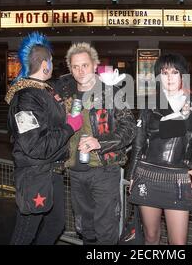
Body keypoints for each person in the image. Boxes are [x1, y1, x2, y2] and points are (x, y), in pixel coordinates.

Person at [5, 32, 83, 245]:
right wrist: (69, 127)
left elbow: (49, 121)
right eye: (51, 61)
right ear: (44, 63)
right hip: (35, 173)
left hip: (51, 171)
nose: (53, 66)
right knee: (24, 233)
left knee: (56, 224)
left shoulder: (43, 91)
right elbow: (34, 145)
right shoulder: (26, 97)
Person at [54, 42, 135, 245]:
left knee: (106, 229)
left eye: (85, 65)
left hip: (104, 170)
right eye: (75, 66)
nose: (81, 71)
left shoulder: (112, 93)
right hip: (75, 171)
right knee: (85, 229)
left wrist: (99, 142)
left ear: (95, 65)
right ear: (70, 68)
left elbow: (129, 129)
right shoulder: (65, 94)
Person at [128, 53, 192, 245]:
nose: (170, 77)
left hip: (178, 178)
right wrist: (132, 175)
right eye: (164, 73)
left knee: (178, 243)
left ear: (183, 76)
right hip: (148, 175)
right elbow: (138, 144)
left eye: (175, 72)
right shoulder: (149, 104)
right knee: (150, 237)